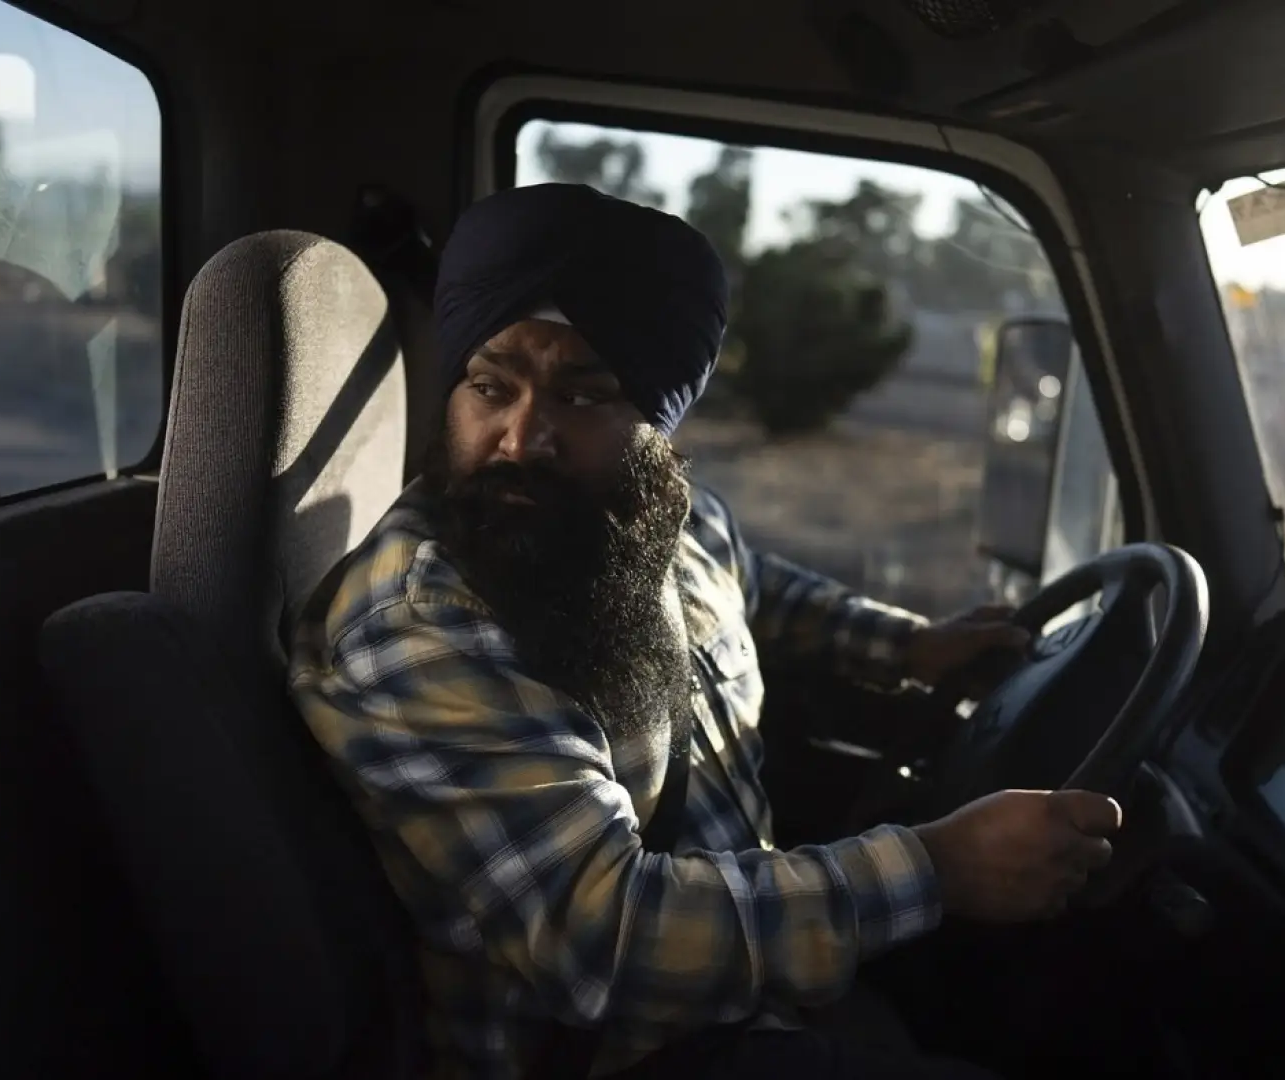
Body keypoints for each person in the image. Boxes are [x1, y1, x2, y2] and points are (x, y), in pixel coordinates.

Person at [289, 183, 1122, 1080]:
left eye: (583, 396)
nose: (522, 438)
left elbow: (749, 583)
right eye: (490, 387)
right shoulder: (424, 623)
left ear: (657, 427)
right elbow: (604, 937)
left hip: (753, 989)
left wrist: (909, 646)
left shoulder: (637, 520)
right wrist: (939, 869)